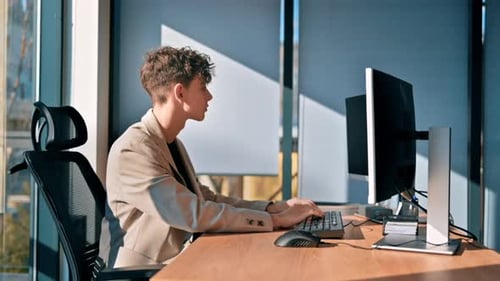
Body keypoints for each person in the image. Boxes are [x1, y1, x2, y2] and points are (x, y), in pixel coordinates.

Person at [99, 46, 324, 268]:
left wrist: (274, 208)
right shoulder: (133, 149)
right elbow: (191, 213)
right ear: (180, 93)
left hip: (180, 260)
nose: (209, 95)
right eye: (202, 87)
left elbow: (206, 199)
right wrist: (276, 222)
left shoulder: (171, 143)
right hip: (146, 270)